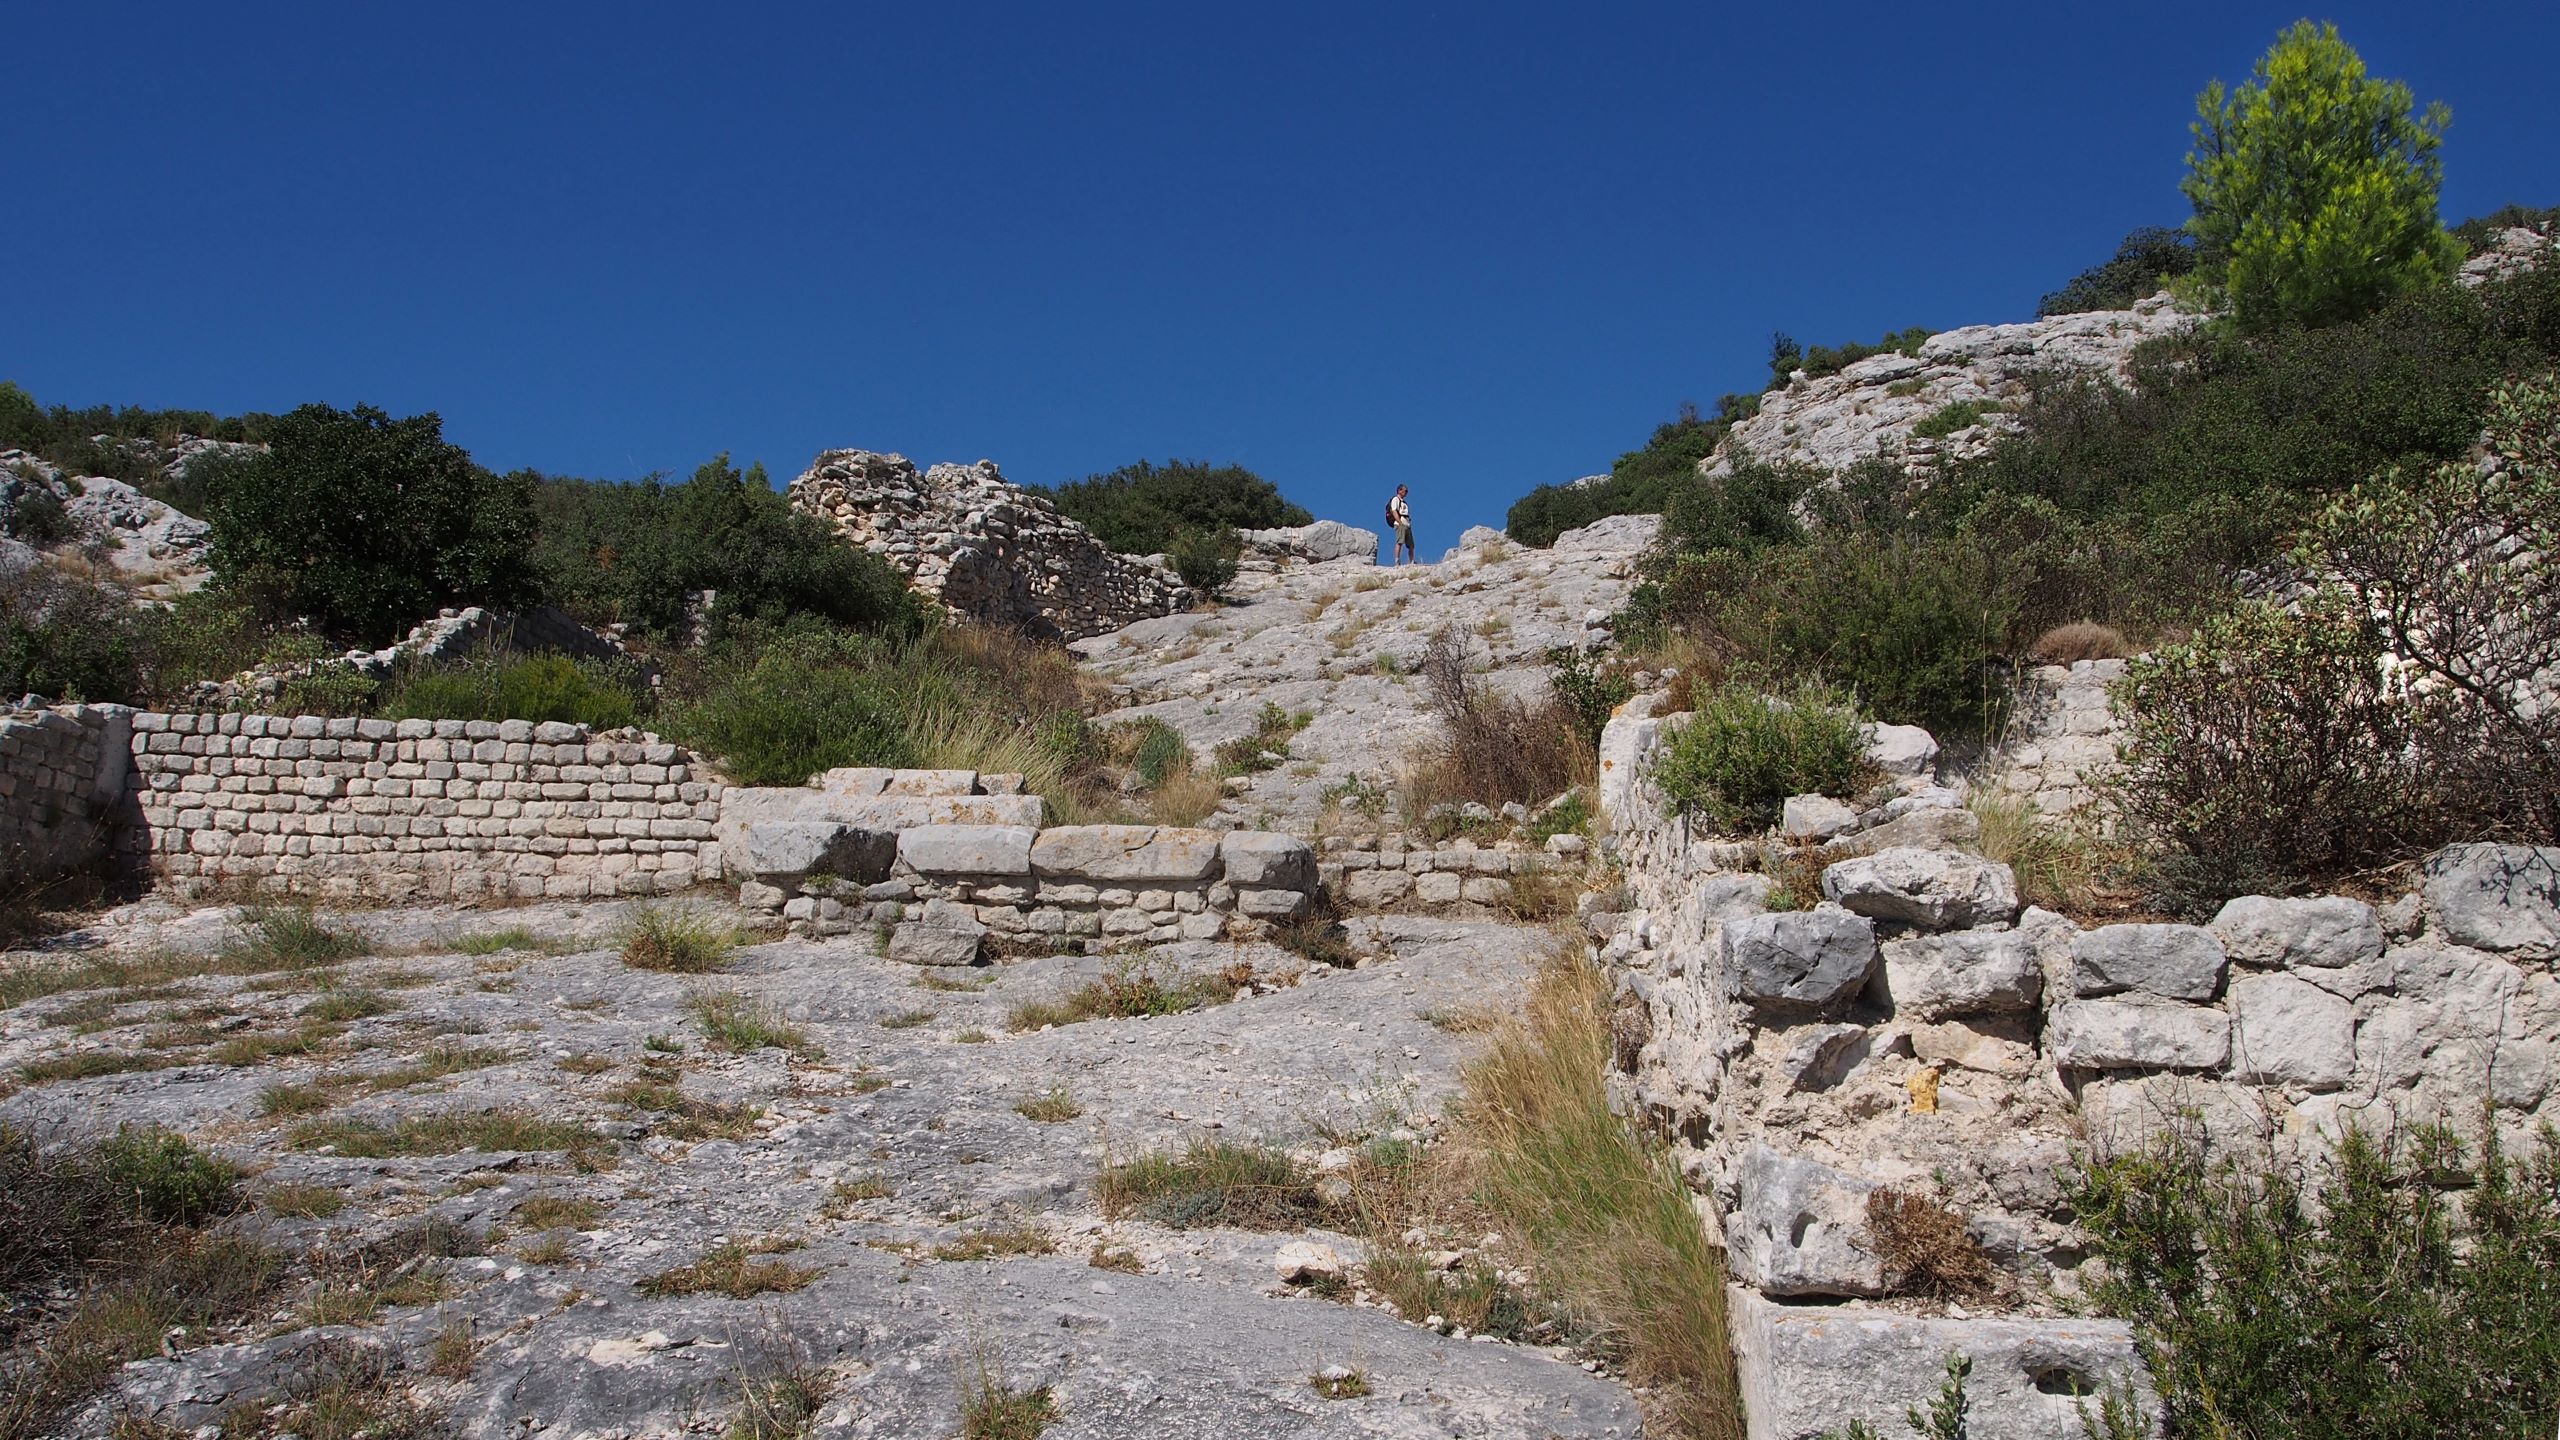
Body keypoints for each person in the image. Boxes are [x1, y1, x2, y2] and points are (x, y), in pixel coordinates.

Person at [1386, 484, 1415, 566]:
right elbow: (1394, 511)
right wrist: (1399, 522)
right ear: (1399, 490)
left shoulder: (1404, 502)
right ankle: (1397, 561)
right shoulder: (1395, 499)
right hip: (1400, 523)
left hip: (1407, 524)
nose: (1406, 493)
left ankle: (1412, 561)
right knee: (1400, 541)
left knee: (1411, 545)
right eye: (1405, 491)